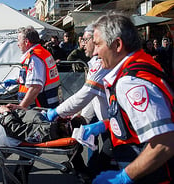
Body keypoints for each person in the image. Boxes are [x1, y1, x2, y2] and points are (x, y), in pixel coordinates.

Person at [82, 13, 174, 183]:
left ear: (117, 44)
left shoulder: (130, 82)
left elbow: (164, 142)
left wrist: (125, 177)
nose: (95, 52)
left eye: (98, 45)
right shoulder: (141, 64)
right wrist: (105, 124)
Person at [45, 24, 113, 181]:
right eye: (83, 40)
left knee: (101, 168)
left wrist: (57, 112)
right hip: (109, 123)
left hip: (117, 126)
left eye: (87, 40)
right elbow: (93, 96)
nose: (83, 43)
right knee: (97, 167)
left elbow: (86, 93)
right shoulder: (96, 62)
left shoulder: (101, 63)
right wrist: (83, 118)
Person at [4, 26, 61, 110]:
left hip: (39, 107)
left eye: (19, 40)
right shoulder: (41, 52)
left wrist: (21, 107)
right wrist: (19, 80)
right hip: (47, 104)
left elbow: (35, 87)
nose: (17, 44)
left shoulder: (34, 58)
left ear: (26, 42)